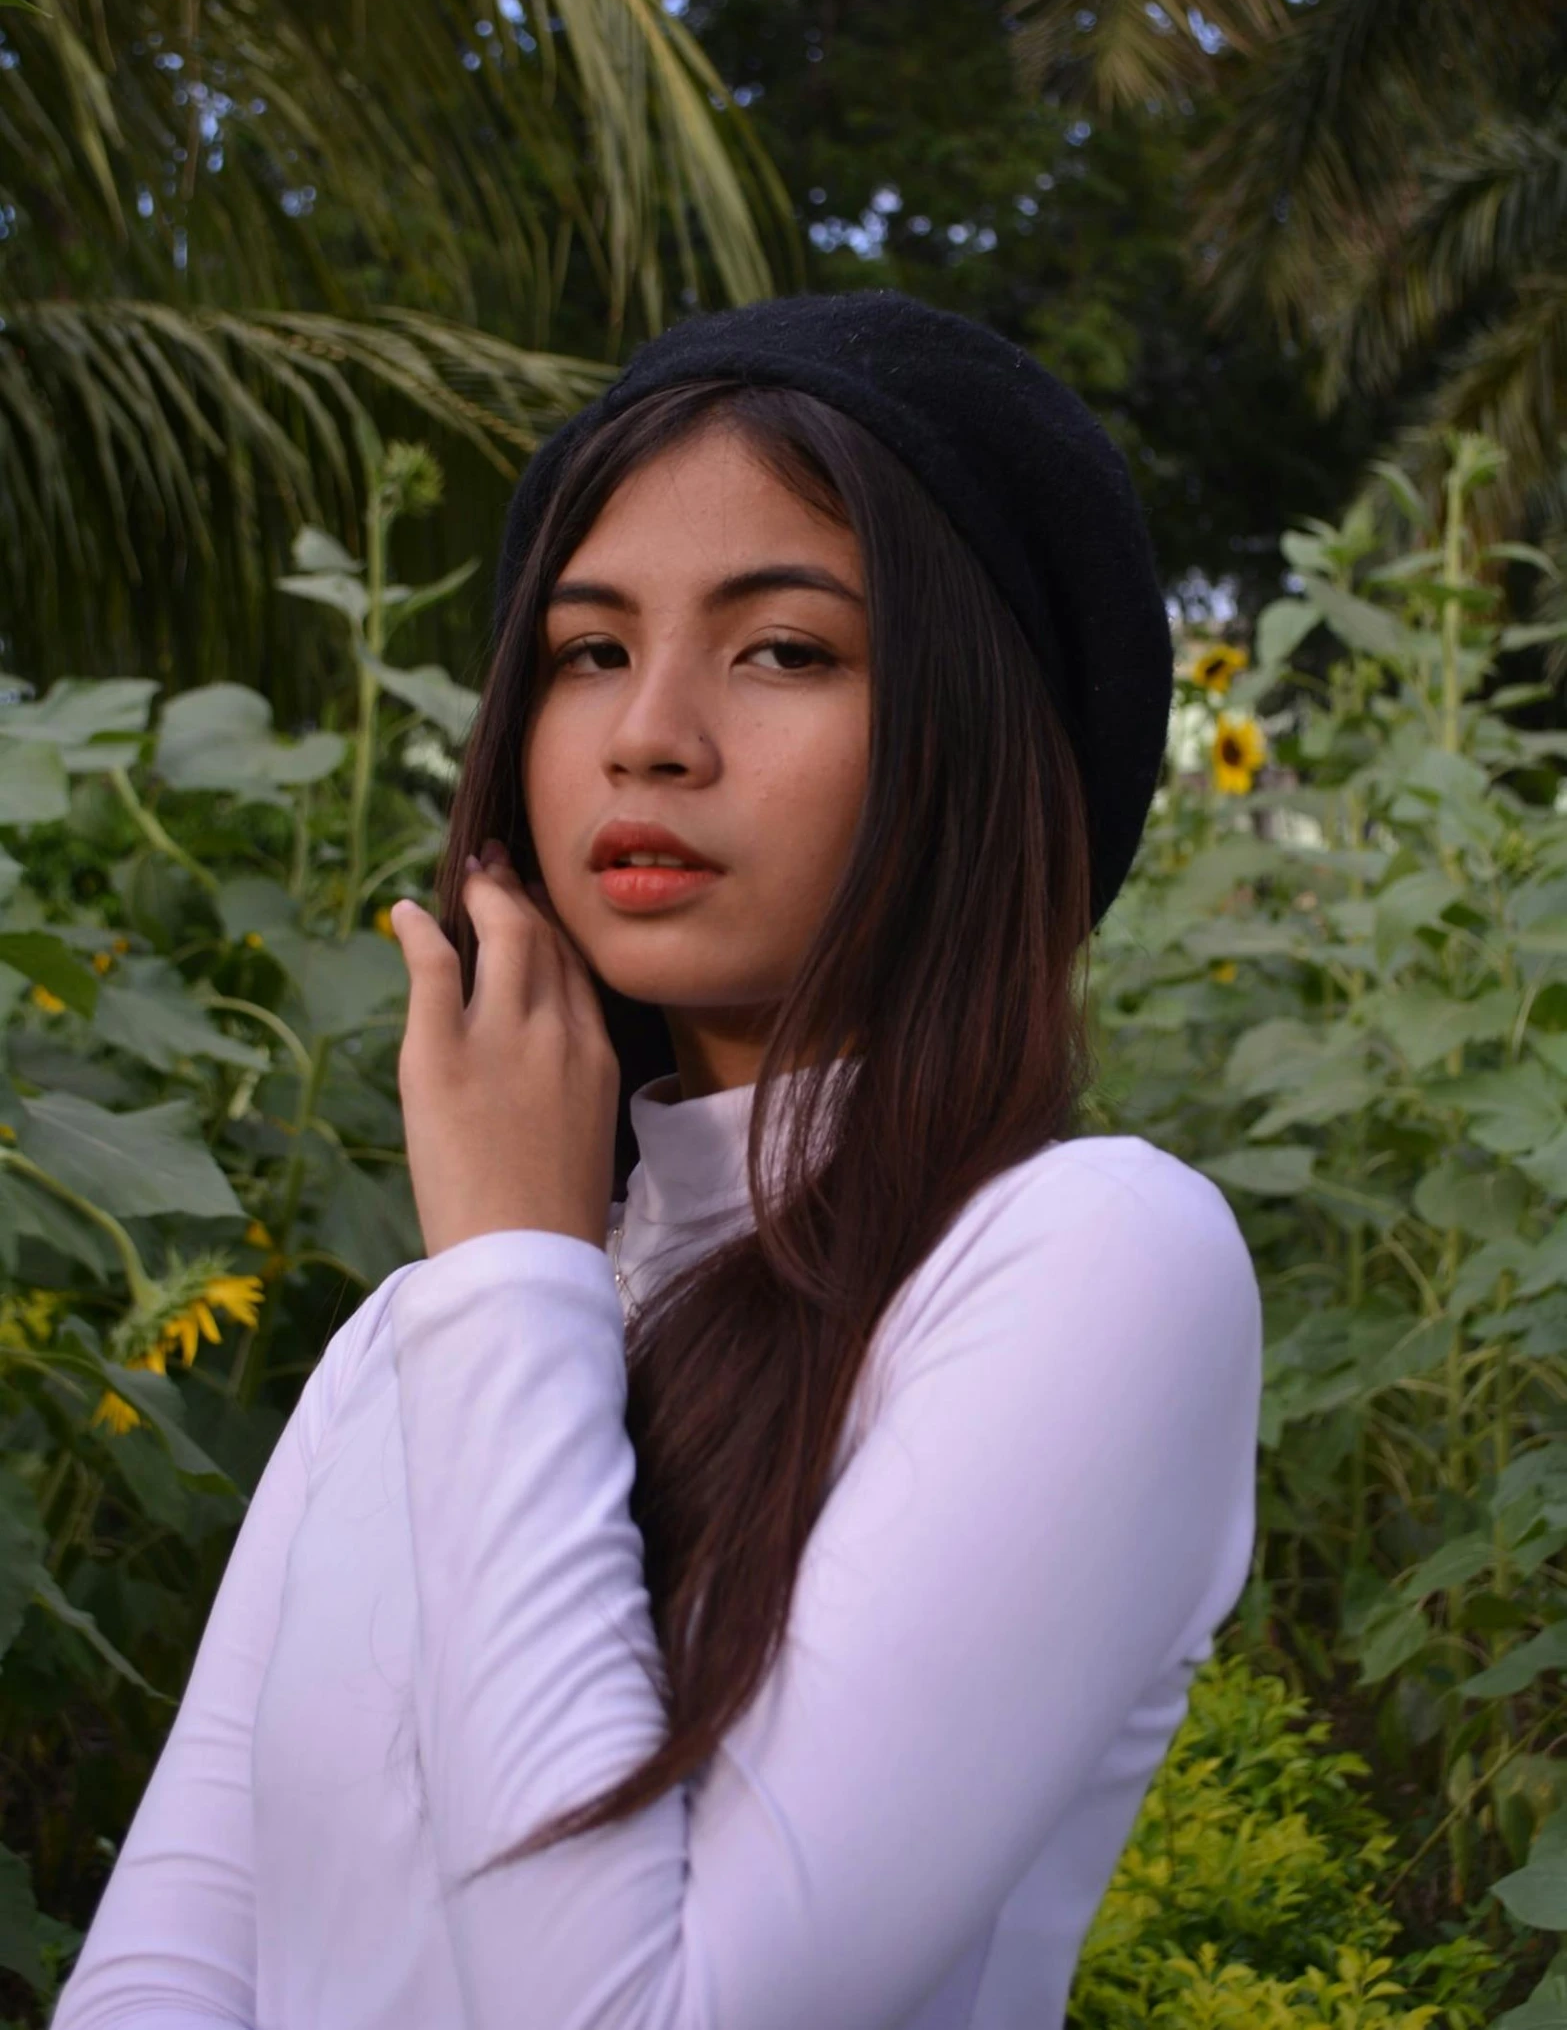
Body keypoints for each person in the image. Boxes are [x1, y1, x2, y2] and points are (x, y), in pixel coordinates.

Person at [52, 291, 1262, 2030]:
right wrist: (505, 1274)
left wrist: (514, 1267)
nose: (649, 733)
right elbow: (163, 1970)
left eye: (783, 648)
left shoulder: (1086, 1261)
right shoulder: (414, 1338)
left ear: (984, 736)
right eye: (587, 650)